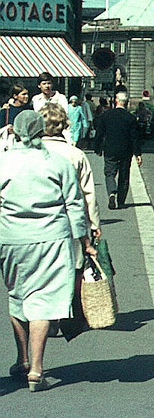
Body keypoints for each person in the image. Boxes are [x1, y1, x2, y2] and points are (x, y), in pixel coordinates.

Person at [0, 110, 93, 391]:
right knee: (44, 300)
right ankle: (37, 369)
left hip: (11, 239)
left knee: (18, 296)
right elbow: (75, 204)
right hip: (53, 238)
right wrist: (83, 239)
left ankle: (22, 358)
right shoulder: (58, 162)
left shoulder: (3, 162)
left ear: (14, 132)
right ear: (41, 132)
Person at [40, 103, 102, 239]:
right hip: (69, 224)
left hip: (35, 225)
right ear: (65, 124)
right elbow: (88, 193)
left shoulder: (30, 153)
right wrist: (94, 223)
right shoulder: (76, 154)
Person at [92, 91, 143, 210]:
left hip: (110, 149)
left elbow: (99, 134)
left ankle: (111, 192)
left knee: (109, 173)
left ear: (116, 101)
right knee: (124, 175)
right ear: (127, 103)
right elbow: (135, 137)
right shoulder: (131, 118)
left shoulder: (106, 115)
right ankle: (121, 201)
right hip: (126, 150)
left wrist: (97, 148)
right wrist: (138, 153)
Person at [1, 83, 32, 149]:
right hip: (9, 146)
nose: (26, 96)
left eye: (27, 94)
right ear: (15, 96)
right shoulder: (6, 111)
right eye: (23, 94)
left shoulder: (30, 110)